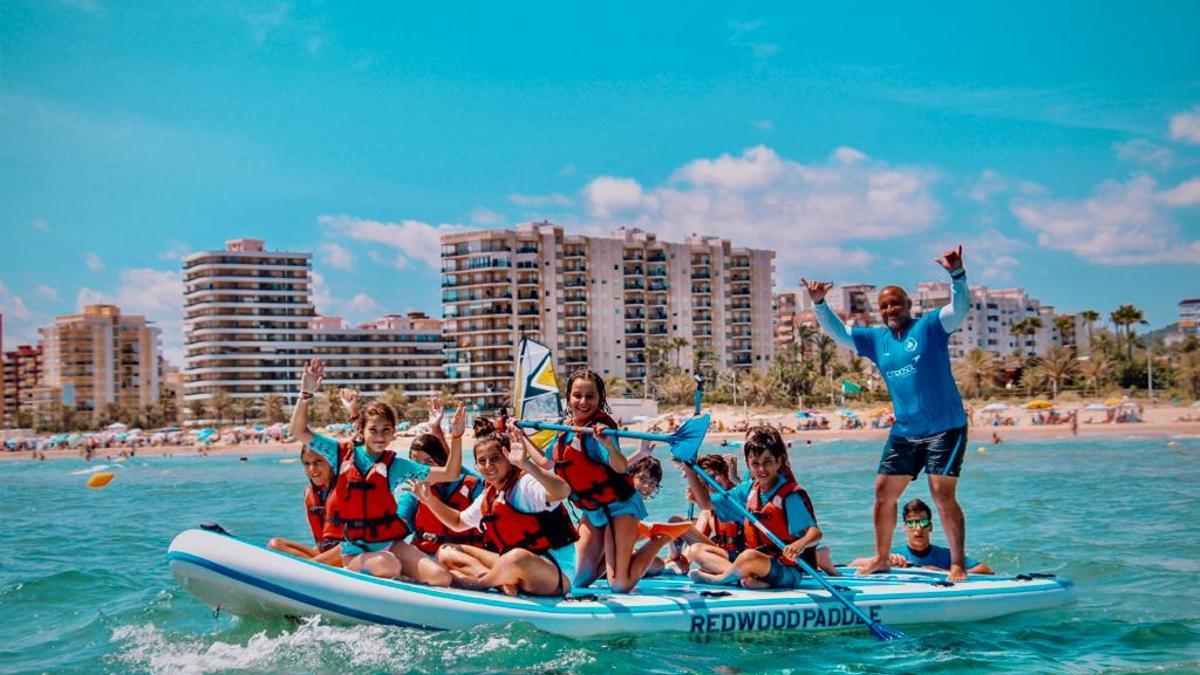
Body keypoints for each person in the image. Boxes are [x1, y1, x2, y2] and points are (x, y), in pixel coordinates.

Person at [804, 244, 975, 581]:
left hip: (945, 427)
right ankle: (882, 558)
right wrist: (819, 303)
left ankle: (956, 564)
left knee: (941, 494)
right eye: (884, 305)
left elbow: (960, 308)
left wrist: (957, 274)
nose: (890, 308)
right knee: (883, 492)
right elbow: (839, 334)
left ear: (908, 305)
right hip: (906, 431)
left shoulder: (929, 327)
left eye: (896, 302)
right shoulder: (876, 339)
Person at [289, 359, 462, 581]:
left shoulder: (397, 466)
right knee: (386, 565)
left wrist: (456, 436)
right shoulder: (339, 453)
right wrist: (306, 393)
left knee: (441, 577)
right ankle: (358, 575)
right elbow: (298, 430)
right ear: (362, 430)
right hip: (355, 549)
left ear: (393, 434)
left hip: (390, 542)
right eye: (374, 430)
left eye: (386, 430)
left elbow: (450, 473)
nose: (380, 437)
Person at [533, 370, 674, 592]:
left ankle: (658, 540)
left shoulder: (604, 428)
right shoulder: (565, 429)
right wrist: (518, 437)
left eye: (590, 396)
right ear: (568, 397)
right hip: (593, 512)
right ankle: (617, 558)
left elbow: (619, 466)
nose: (583, 402)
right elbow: (544, 461)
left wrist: (608, 443)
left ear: (600, 399)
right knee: (577, 580)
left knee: (619, 584)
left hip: (620, 507)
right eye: (577, 395)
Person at [413, 419, 579, 596]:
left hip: (553, 574)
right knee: (446, 551)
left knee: (517, 557)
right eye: (482, 461)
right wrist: (429, 500)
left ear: (509, 459)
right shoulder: (489, 495)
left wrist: (526, 464)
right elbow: (458, 522)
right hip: (511, 567)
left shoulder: (526, 485)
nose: (488, 466)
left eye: (495, 459)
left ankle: (478, 583)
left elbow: (563, 491)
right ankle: (503, 585)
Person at [688, 427, 823, 589]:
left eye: (767, 462)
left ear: (778, 462)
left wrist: (800, 544)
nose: (761, 469)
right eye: (755, 464)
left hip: (786, 570)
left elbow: (815, 533)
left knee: (749, 557)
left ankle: (720, 579)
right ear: (748, 464)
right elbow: (705, 503)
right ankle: (746, 579)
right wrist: (689, 466)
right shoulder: (747, 490)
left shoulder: (789, 495)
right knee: (696, 550)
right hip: (752, 560)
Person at [850, 499, 993, 575]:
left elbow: (987, 570)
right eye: (912, 523)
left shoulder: (947, 555)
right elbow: (852, 565)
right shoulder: (893, 555)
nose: (918, 528)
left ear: (930, 527)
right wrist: (882, 559)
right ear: (905, 528)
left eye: (923, 522)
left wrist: (947, 571)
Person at [267, 445, 344, 567]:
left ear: (332, 462)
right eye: (307, 464)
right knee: (275, 545)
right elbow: (322, 541)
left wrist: (312, 563)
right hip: (327, 555)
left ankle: (310, 568)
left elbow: (354, 543)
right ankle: (315, 568)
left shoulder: (347, 491)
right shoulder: (311, 494)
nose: (312, 469)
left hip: (348, 554)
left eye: (317, 462)